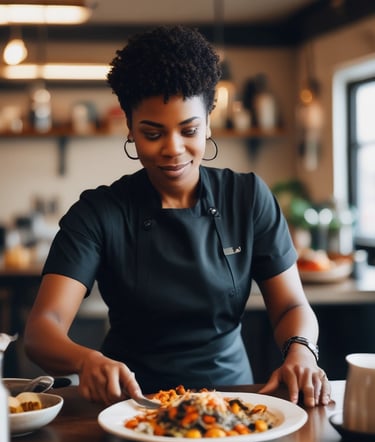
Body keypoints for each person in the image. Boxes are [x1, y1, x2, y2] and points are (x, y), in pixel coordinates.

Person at [24, 25, 331, 408]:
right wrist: (87, 360)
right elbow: (41, 329)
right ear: (130, 128)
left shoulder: (248, 197)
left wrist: (301, 350)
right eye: (153, 133)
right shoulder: (98, 213)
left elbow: (290, 306)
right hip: (130, 403)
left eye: (189, 130)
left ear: (208, 123)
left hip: (231, 400)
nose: (173, 149)